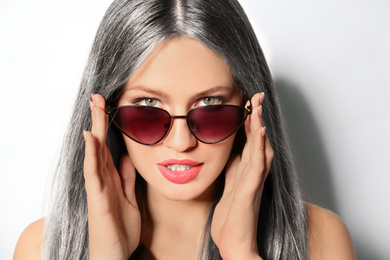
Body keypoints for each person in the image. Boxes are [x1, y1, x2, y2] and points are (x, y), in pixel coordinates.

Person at [13, 0, 356, 259]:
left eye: (210, 106)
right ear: (105, 111)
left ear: (252, 111)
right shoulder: (41, 247)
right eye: (147, 107)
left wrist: (240, 252)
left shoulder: (320, 240)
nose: (181, 143)